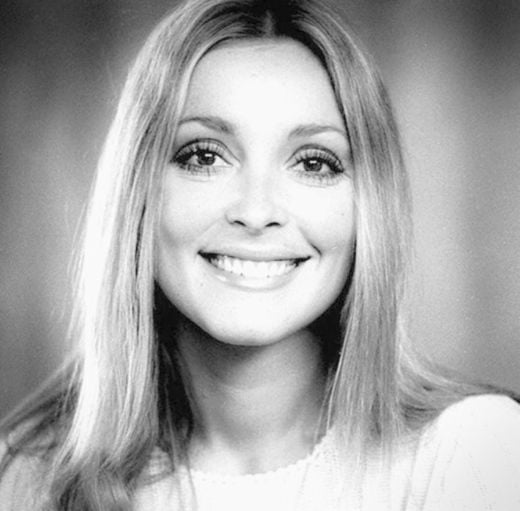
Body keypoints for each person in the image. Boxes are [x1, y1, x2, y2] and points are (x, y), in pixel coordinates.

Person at [1, 0, 520, 509]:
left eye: (313, 163)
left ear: (370, 206)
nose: (255, 211)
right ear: (136, 191)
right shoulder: (26, 479)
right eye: (204, 156)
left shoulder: (477, 453)